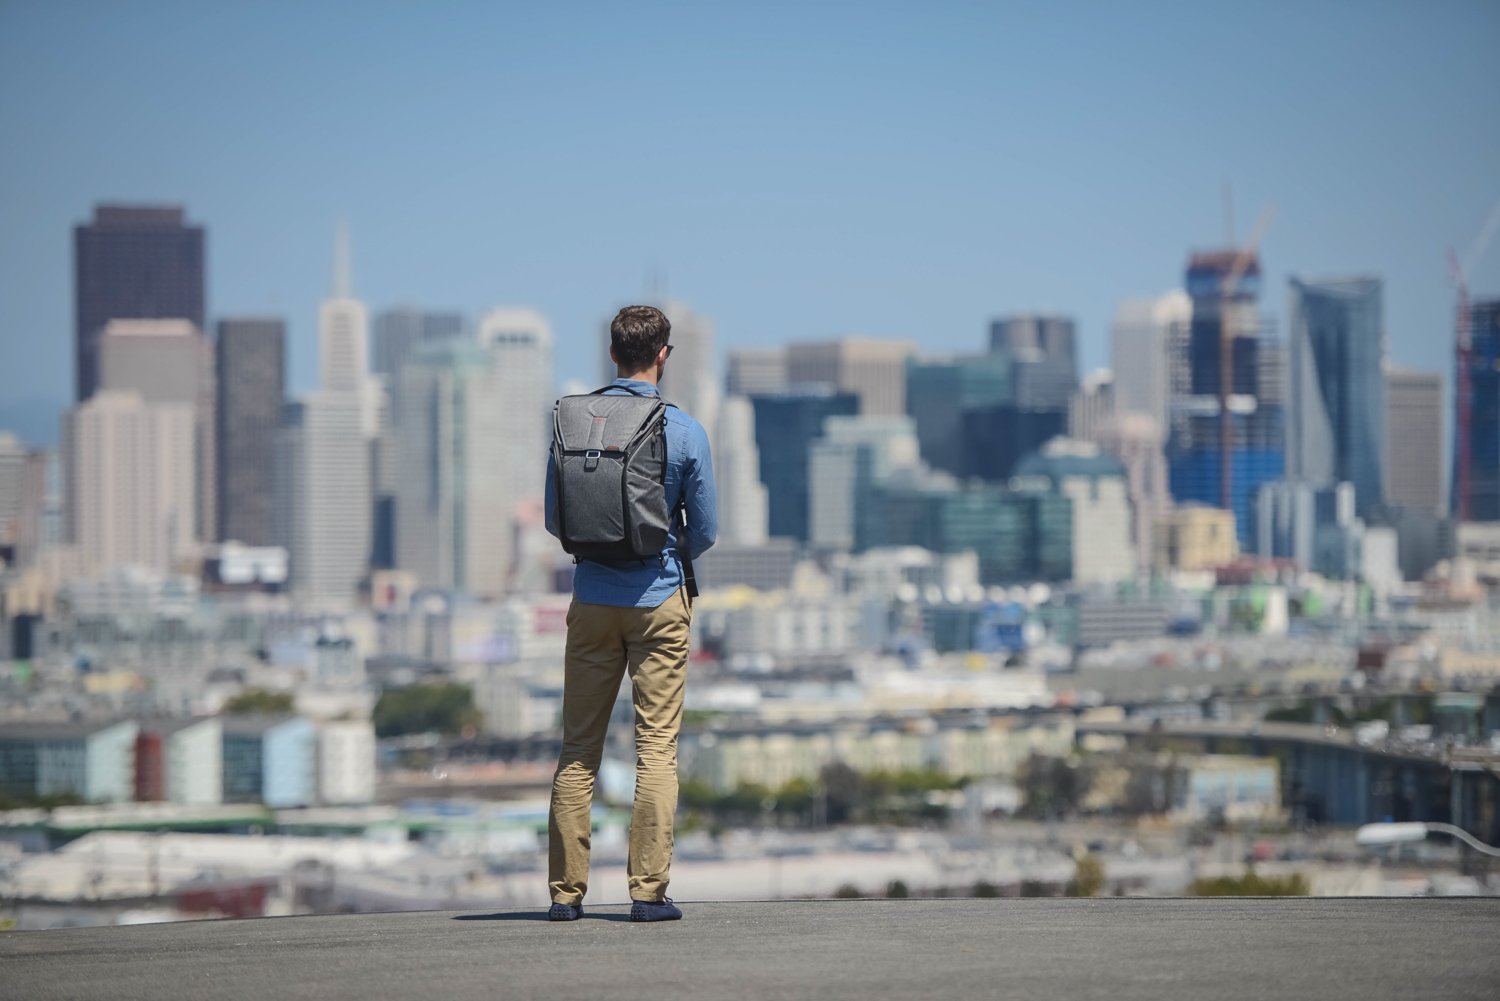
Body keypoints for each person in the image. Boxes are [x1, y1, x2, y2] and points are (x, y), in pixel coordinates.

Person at [543, 304, 717, 922]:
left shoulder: (573, 421)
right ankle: (647, 894)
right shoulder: (685, 430)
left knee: (578, 751)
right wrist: (666, 554)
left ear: (612, 353)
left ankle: (565, 896)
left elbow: (552, 518)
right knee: (656, 750)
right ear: (663, 354)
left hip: (590, 599)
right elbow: (707, 529)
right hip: (658, 601)